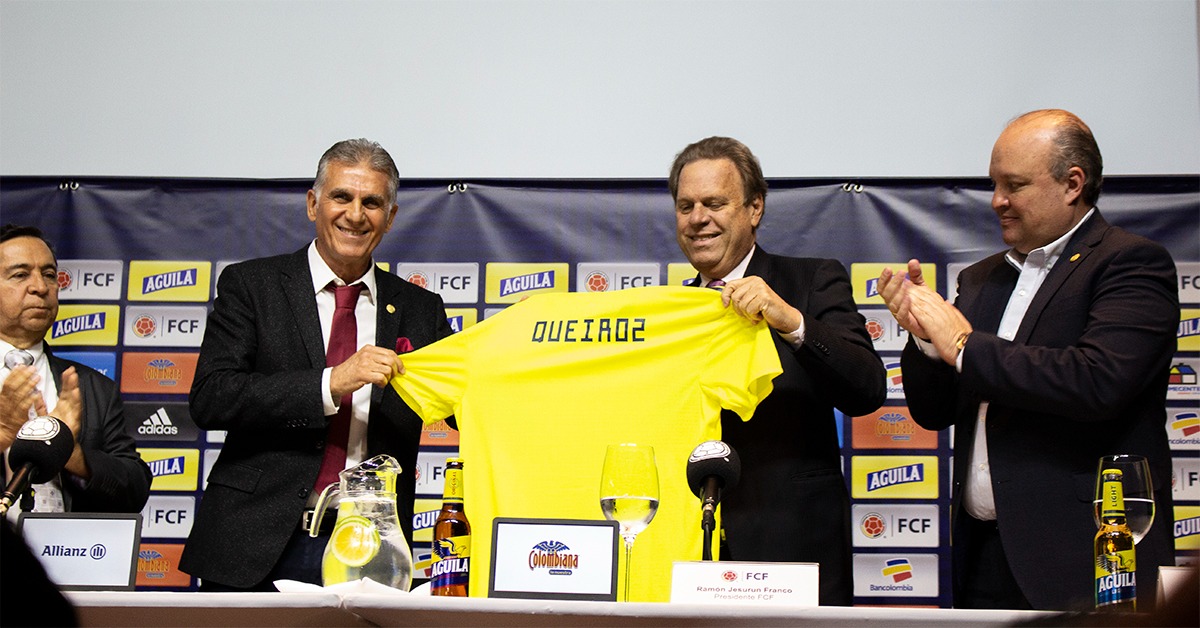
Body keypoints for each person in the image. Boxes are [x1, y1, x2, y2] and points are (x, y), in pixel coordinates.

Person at [877, 109, 1178, 611]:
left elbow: (1097, 382)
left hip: (1087, 553)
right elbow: (934, 412)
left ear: (1072, 184)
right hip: (983, 555)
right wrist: (927, 341)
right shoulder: (980, 279)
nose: (998, 200)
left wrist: (964, 344)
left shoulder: (1129, 262)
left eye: (1014, 185)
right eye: (994, 184)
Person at [180, 139, 454, 591]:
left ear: (390, 217)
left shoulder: (421, 309)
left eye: (372, 203)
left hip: (373, 547)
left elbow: (463, 403)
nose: (355, 214)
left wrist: (518, 341)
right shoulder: (252, 285)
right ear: (313, 203)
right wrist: (331, 382)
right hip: (255, 542)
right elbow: (213, 397)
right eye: (341, 197)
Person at [669, 136, 887, 605]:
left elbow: (866, 388)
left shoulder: (811, 281)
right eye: (686, 206)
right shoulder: (669, 311)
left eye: (714, 203)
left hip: (791, 545)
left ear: (755, 208)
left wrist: (791, 322)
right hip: (687, 547)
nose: (698, 218)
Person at [0, 224, 151, 520]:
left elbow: (135, 489)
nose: (40, 287)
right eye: (20, 275)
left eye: (49, 274)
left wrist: (72, 455)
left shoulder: (92, 387)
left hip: (69, 547)